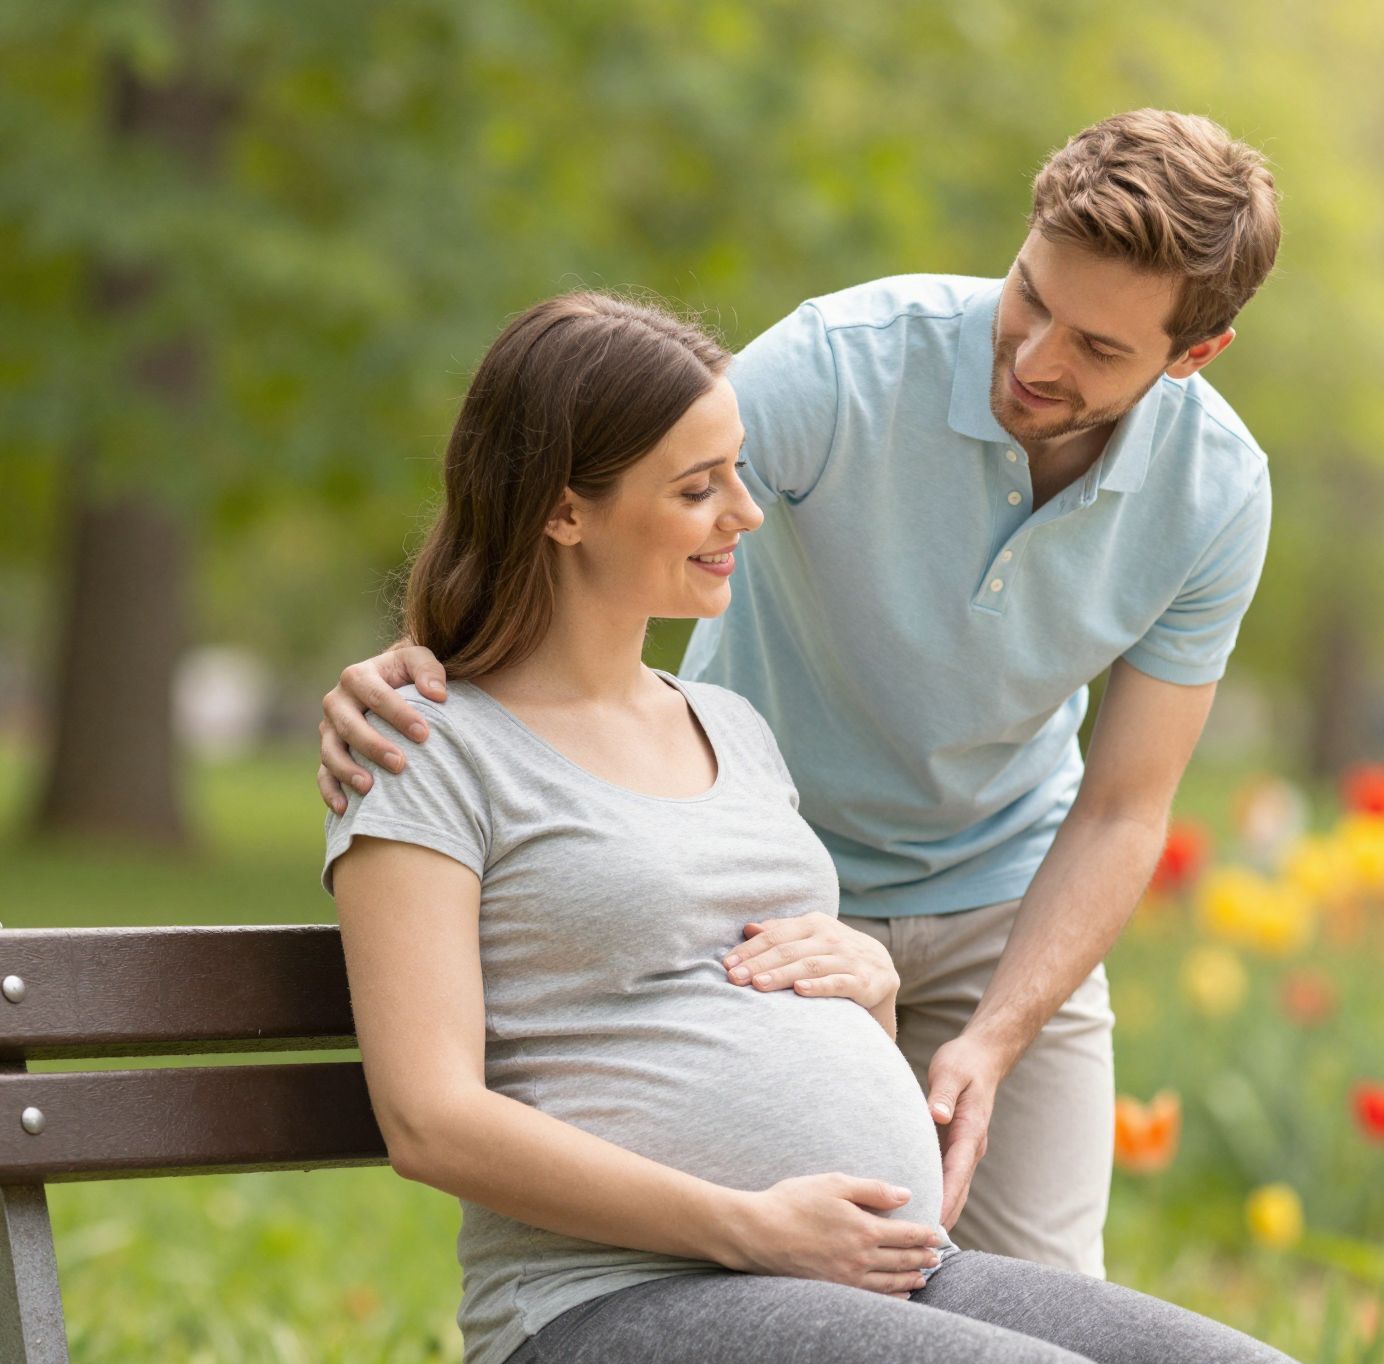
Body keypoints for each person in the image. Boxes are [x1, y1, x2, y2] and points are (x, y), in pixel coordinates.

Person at [321, 291, 1353, 1364]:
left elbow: (730, 973)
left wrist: (865, 978)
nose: (748, 513)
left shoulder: (732, 728)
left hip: (871, 1280)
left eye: (735, 475)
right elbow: (429, 1120)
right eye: (698, 488)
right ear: (562, 506)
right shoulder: (429, 750)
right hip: (596, 1322)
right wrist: (747, 1227)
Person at [314, 109, 1281, 1280]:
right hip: (756, 888)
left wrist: (992, 1037)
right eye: (1029, 296)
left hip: (1000, 897)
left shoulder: (1215, 494)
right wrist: (427, 672)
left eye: (1098, 349)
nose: (1034, 359)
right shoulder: (840, 363)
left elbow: (1126, 806)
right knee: (782, 1293)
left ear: (1194, 354)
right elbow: (593, 489)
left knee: (1045, 1299)